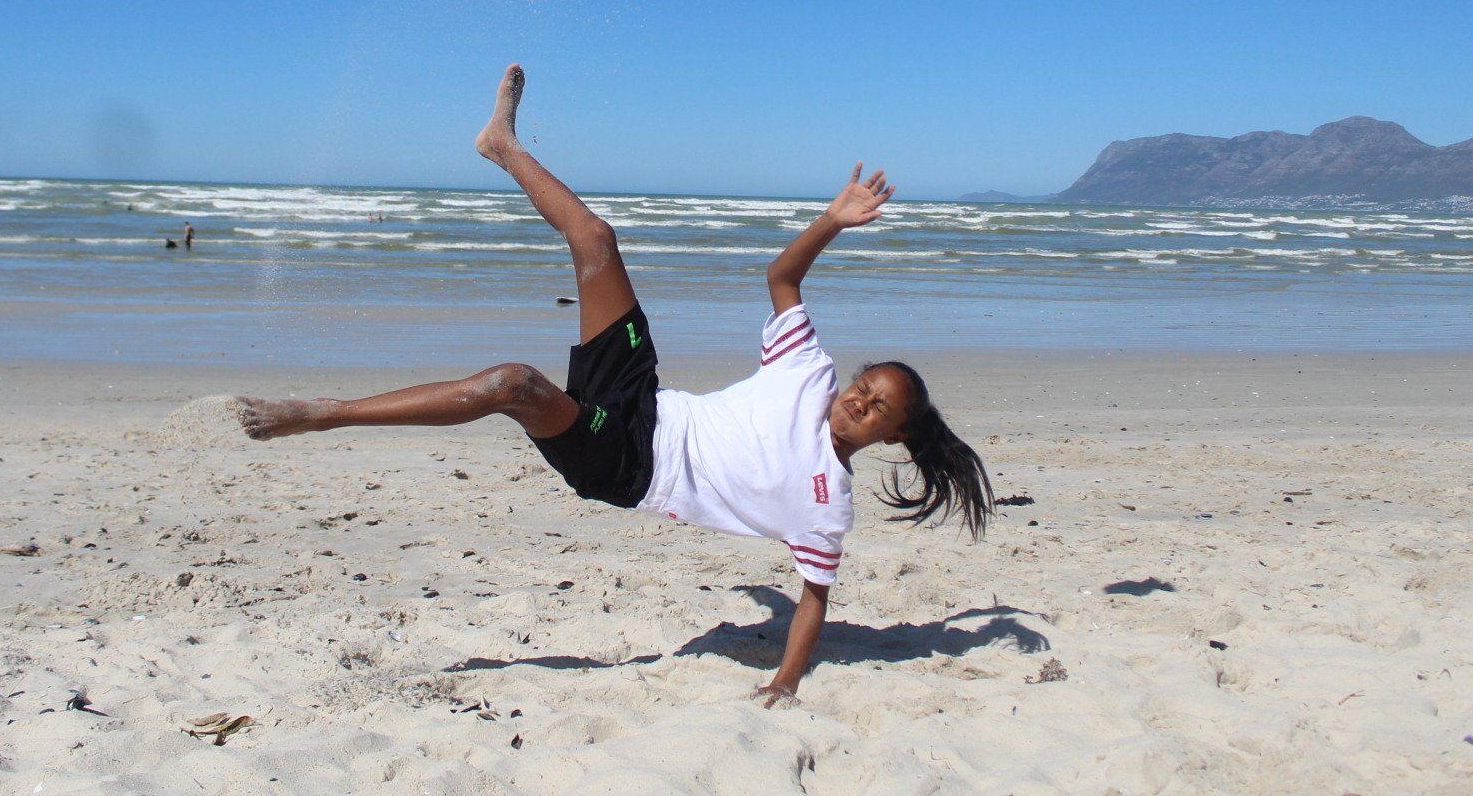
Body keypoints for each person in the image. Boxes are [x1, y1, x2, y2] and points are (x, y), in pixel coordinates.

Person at [236, 66, 993, 706]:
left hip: (630, 467)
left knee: (514, 384)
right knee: (596, 239)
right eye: (865, 386)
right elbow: (781, 276)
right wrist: (830, 219)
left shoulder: (828, 501)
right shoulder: (808, 370)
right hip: (644, 401)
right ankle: (501, 146)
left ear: (891, 435)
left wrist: (787, 683)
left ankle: (325, 415)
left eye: (877, 409)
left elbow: (813, 601)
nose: (858, 400)